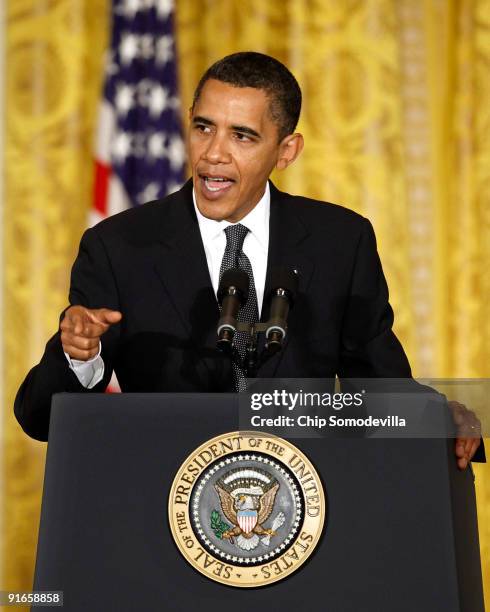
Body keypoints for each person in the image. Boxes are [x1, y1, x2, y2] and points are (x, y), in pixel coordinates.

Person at [14, 52, 482, 466]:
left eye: (242, 136)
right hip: (161, 513)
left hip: (306, 514)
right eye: (203, 128)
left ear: (286, 151)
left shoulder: (339, 241)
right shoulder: (119, 246)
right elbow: (40, 418)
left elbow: (379, 388)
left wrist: (443, 416)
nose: (214, 154)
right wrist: (80, 357)